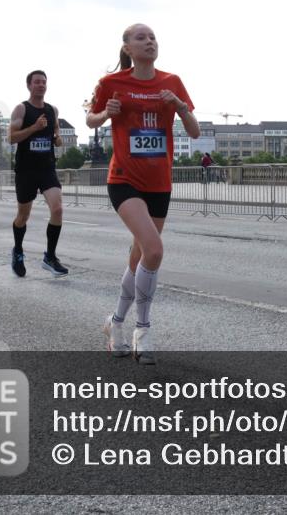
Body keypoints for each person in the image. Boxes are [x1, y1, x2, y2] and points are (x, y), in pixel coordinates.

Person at [87, 23, 199, 364]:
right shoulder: (112, 83)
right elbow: (90, 120)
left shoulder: (172, 82)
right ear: (127, 48)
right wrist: (107, 113)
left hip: (159, 183)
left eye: (152, 37)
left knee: (140, 257)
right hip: (124, 179)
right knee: (154, 249)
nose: (149, 41)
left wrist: (179, 105)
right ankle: (143, 330)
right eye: (141, 38)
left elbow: (193, 132)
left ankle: (115, 323)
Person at [8, 70, 69, 278]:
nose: (41, 85)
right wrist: (34, 127)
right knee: (23, 215)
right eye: (37, 82)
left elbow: (57, 135)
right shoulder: (21, 109)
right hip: (26, 170)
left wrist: (57, 140)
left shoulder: (53, 110)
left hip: (46, 168)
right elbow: (11, 138)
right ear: (29, 86)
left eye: (44, 82)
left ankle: (50, 257)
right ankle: (18, 250)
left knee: (58, 209)